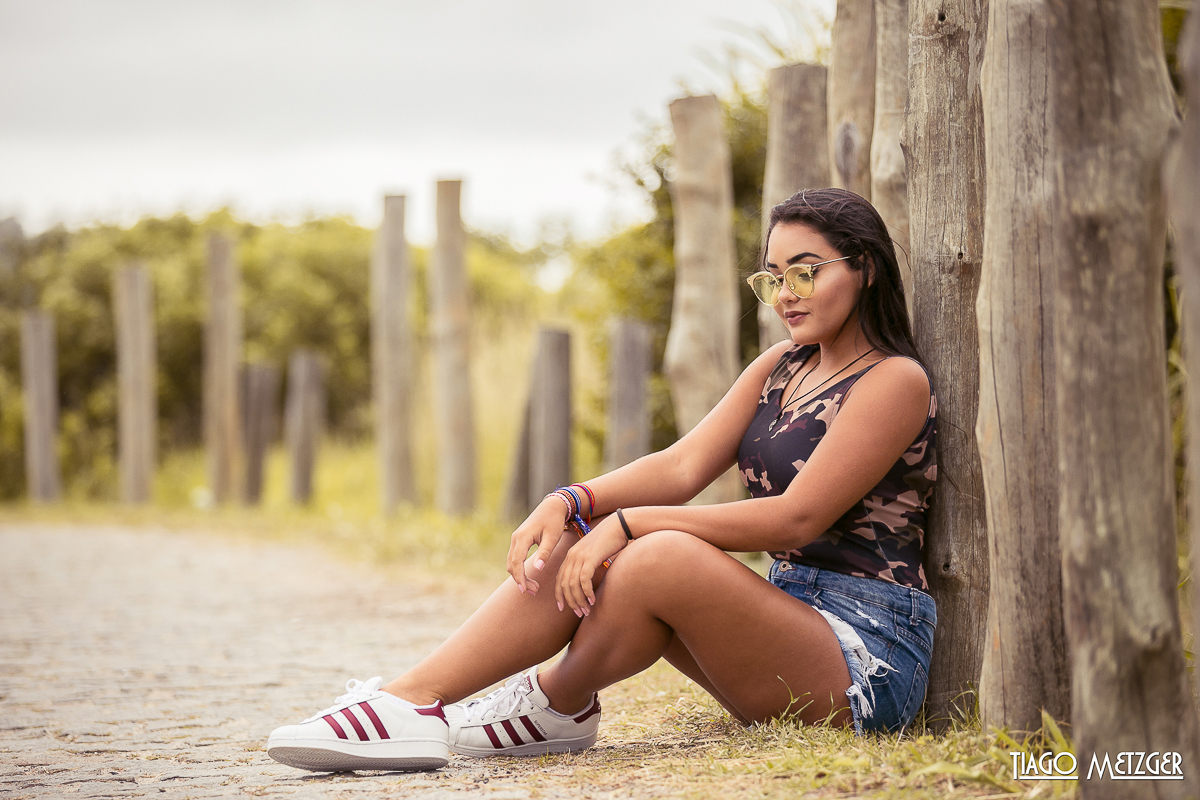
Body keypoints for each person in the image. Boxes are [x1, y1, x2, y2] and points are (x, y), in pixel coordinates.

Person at [266, 188, 939, 772]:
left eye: (804, 273)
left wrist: (631, 522)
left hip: (864, 660)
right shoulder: (783, 366)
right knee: (591, 530)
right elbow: (680, 467)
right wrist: (573, 500)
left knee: (658, 553)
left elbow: (796, 519)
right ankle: (413, 700)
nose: (785, 296)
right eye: (771, 279)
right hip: (783, 623)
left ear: (867, 269)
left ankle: (556, 696)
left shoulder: (893, 381)